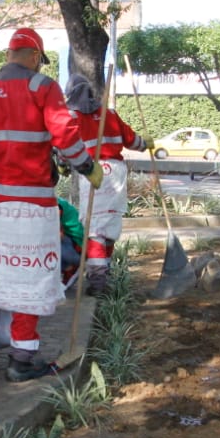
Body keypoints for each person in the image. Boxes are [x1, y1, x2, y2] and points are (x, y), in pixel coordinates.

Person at [0, 27, 102, 382]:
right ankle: (21, 359)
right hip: (32, 204)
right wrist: (86, 166)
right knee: (28, 275)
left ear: (8, 55)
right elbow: (64, 135)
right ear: (34, 57)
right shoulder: (43, 87)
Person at [63, 74, 149, 296]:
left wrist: (62, 162)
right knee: (108, 226)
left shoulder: (72, 116)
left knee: (94, 230)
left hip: (94, 172)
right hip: (117, 173)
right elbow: (132, 141)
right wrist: (145, 142)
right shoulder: (109, 114)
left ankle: (98, 280)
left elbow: (66, 146)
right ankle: (103, 273)